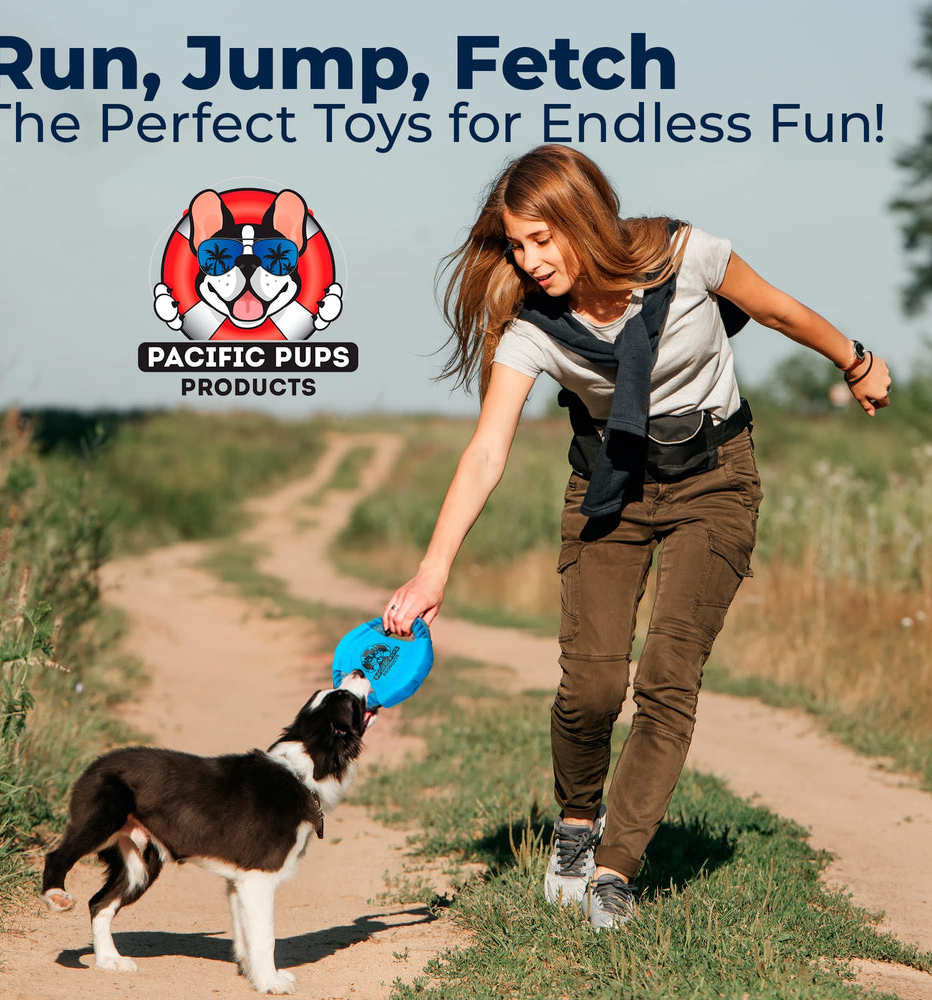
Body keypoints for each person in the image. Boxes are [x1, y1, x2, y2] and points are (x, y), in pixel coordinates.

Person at [381, 144, 891, 931]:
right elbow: (487, 451)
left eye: (543, 238)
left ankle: (616, 869)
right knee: (590, 687)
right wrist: (433, 569)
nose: (530, 259)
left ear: (584, 216)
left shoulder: (687, 256)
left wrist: (855, 360)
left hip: (715, 478)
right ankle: (578, 824)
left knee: (668, 676)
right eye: (517, 244)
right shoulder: (532, 329)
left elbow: (778, 309)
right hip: (608, 486)